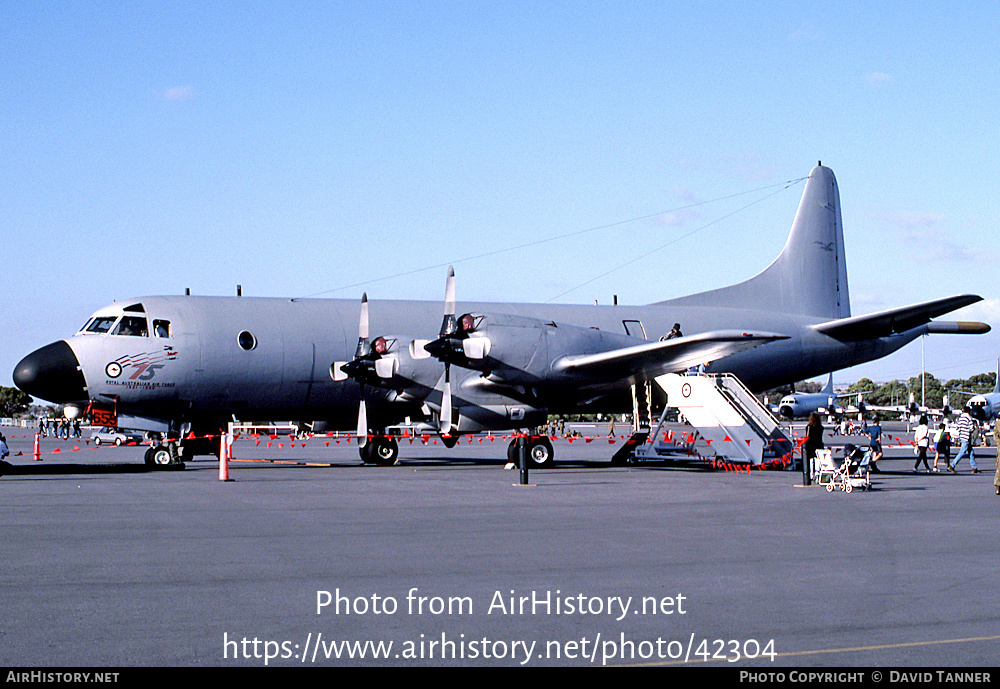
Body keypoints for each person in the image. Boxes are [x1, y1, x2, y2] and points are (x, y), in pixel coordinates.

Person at [949, 406, 979, 473]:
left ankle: (974, 468)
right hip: (967, 437)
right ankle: (952, 465)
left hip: (962, 436)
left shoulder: (961, 417)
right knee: (962, 452)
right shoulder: (969, 418)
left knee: (971, 452)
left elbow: (958, 427)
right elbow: (971, 428)